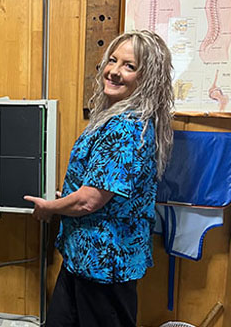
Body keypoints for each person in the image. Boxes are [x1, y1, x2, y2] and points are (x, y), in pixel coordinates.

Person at [24, 30, 174, 327]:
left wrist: (49, 208)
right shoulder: (121, 120)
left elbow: (89, 201)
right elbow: (98, 190)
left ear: (147, 78)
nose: (114, 71)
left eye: (129, 66)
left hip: (104, 265)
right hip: (84, 258)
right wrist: (67, 199)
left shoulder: (125, 129)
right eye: (112, 60)